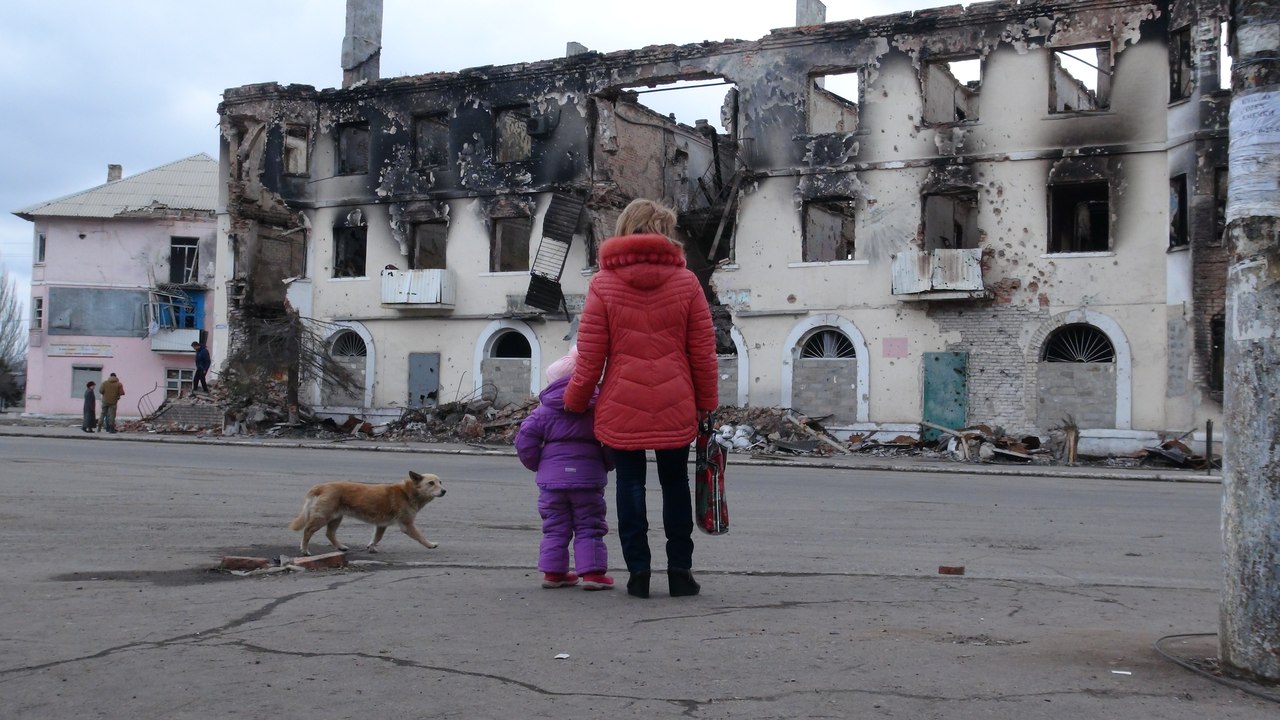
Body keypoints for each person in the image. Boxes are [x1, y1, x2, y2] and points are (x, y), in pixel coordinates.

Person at [563, 198, 719, 599]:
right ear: (665, 233)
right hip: (676, 399)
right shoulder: (686, 283)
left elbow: (590, 354)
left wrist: (575, 401)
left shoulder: (603, 283)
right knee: (675, 485)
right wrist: (707, 403)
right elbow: (702, 351)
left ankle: (639, 575)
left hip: (620, 402)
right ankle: (680, 573)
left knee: (630, 485)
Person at [515, 347, 615, 591]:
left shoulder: (543, 411)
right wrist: (605, 463)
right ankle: (592, 574)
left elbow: (524, 441)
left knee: (554, 527)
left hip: (552, 482)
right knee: (590, 525)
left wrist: (539, 464)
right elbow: (610, 440)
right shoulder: (595, 409)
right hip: (588, 480)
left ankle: (554, 573)